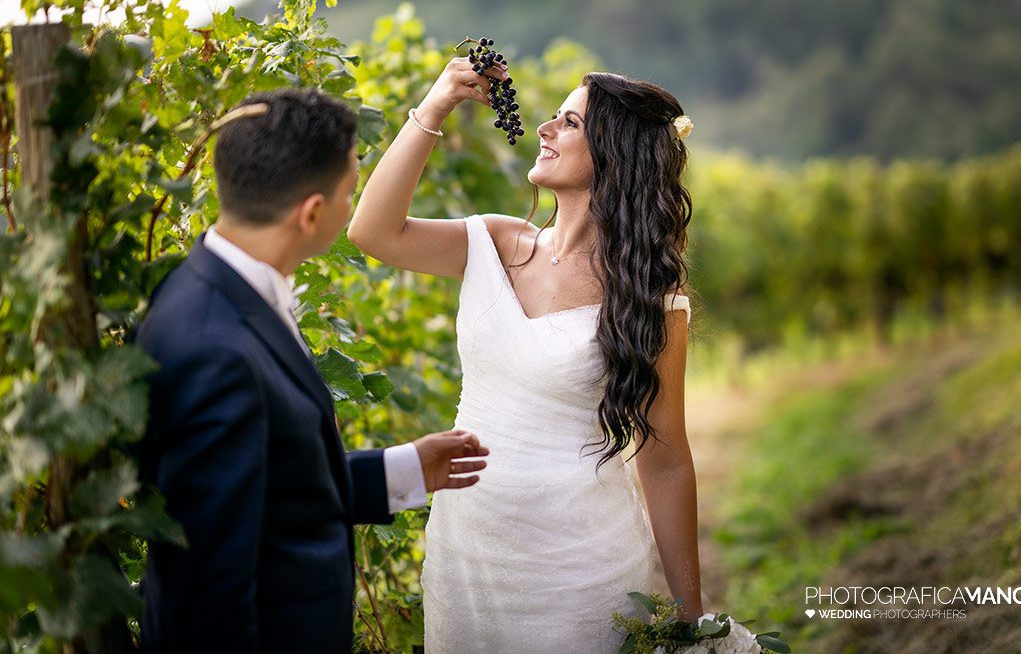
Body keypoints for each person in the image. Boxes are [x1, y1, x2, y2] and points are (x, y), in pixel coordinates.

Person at [347, 56, 701, 652]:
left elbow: (664, 458)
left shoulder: (649, 298)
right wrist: (434, 107)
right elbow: (373, 232)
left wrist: (692, 614)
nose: (544, 129)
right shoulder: (495, 242)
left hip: (581, 568)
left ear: (614, 155)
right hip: (467, 553)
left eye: (569, 122)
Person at [135, 89, 489, 654]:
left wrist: (402, 471)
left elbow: (267, 489)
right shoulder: (214, 350)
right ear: (312, 213)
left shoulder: (228, 291)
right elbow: (208, 594)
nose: (353, 207)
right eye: (350, 192)